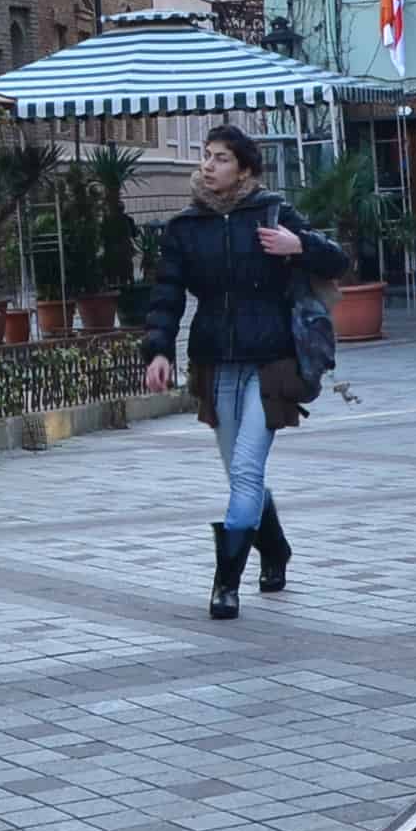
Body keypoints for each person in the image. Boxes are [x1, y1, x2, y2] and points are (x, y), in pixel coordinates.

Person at [140, 124, 351, 620]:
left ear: (245, 169)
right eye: (206, 156)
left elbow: (337, 259)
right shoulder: (186, 228)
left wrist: (296, 246)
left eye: (221, 158)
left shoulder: (274, 214)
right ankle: (274, 550)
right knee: (239, 474)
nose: (208, 166)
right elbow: (166, 296)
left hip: (271, 362)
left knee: (247, 470)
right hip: (216, 363)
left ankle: (225, 586)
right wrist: (158, 350)